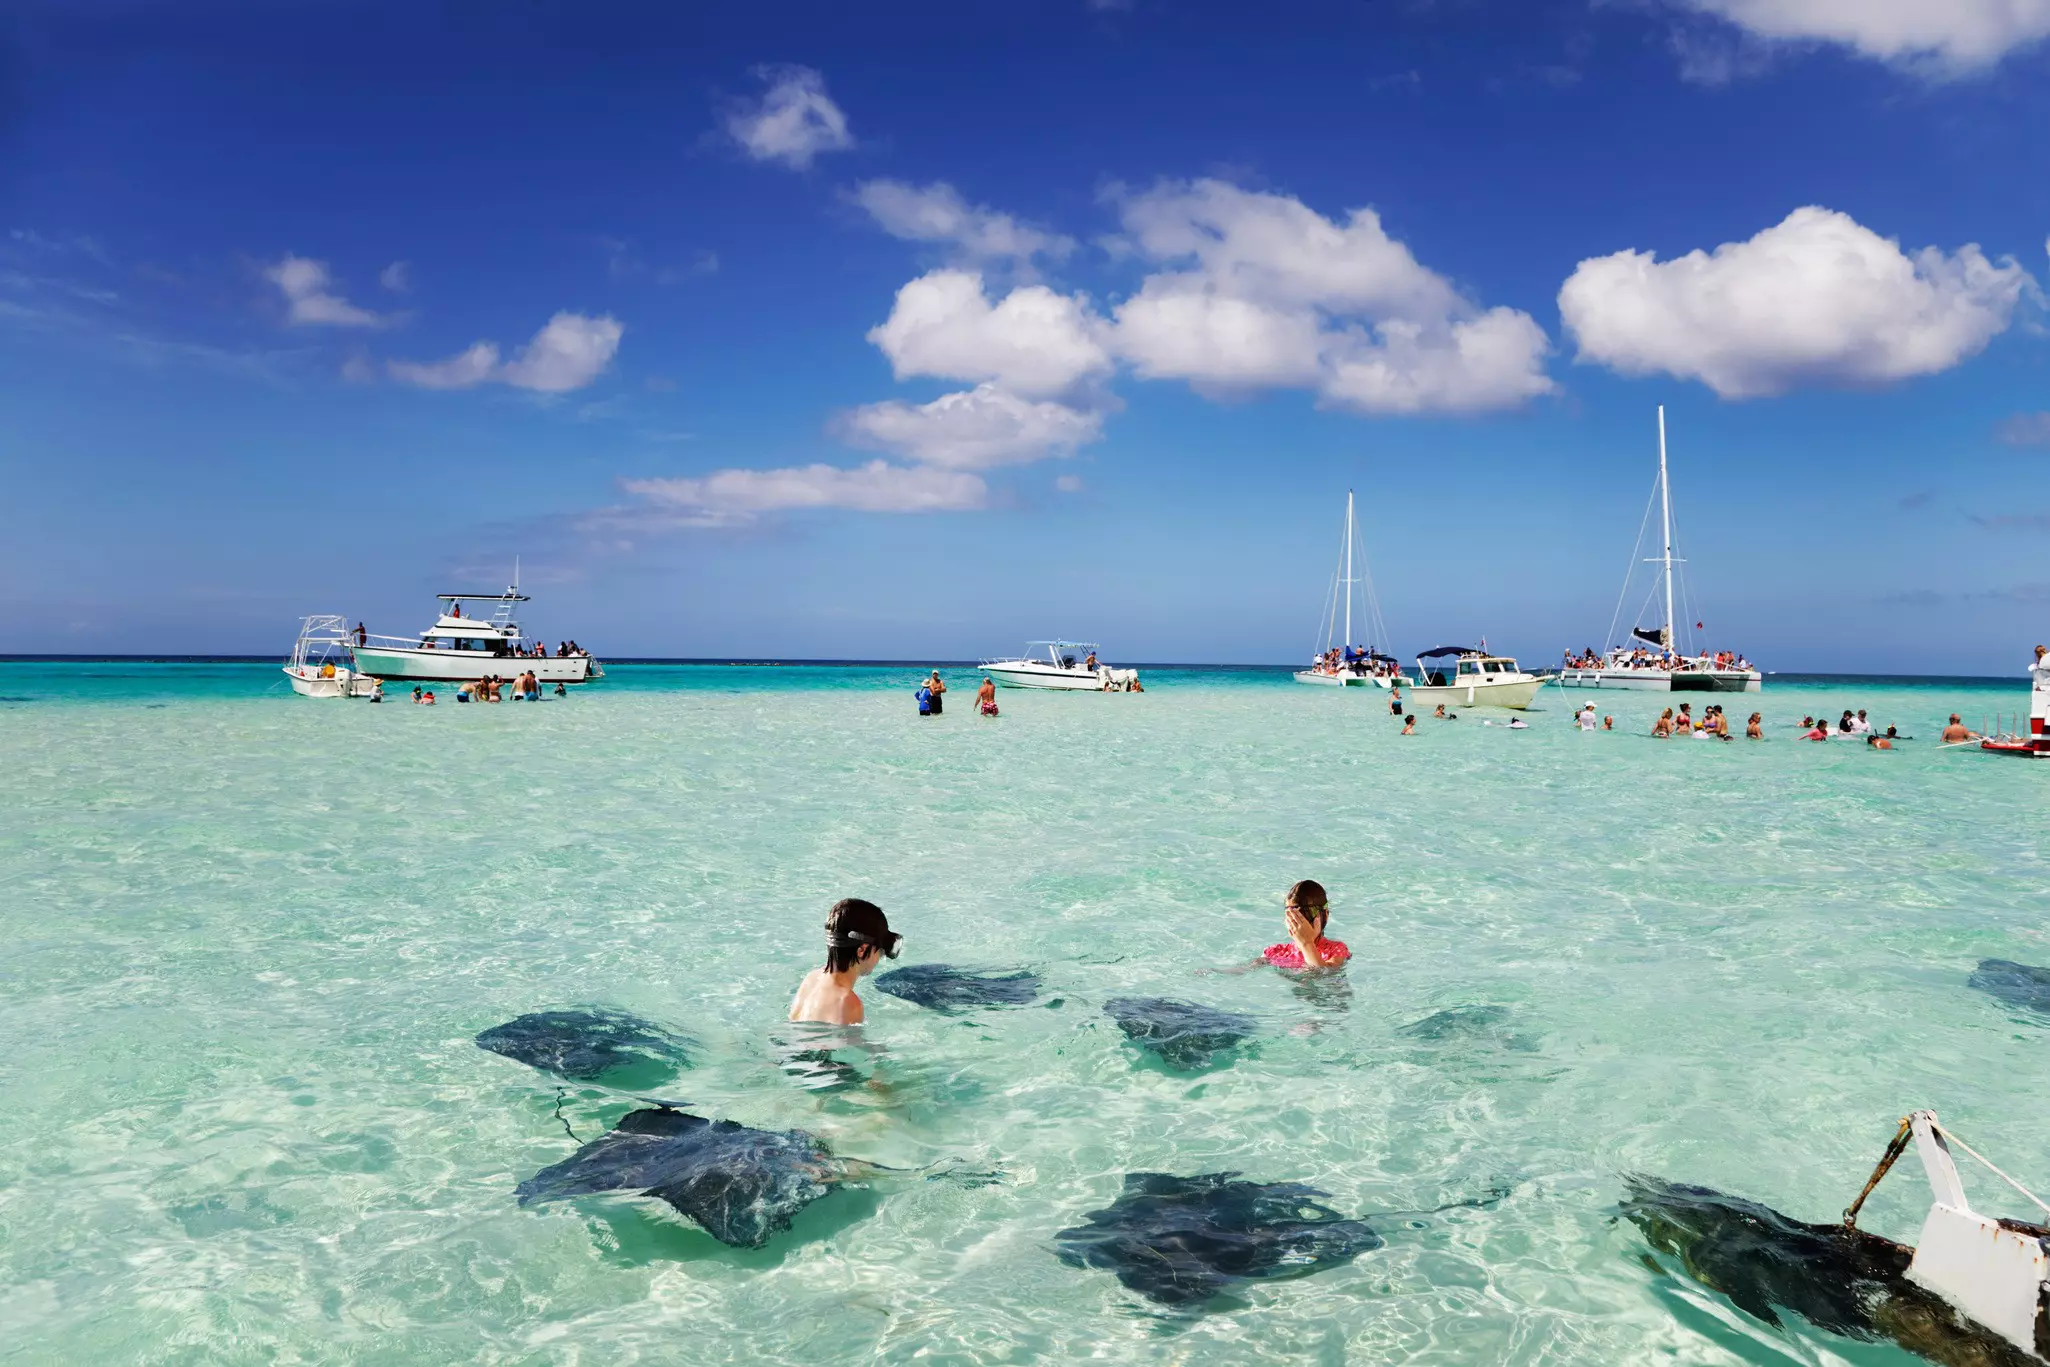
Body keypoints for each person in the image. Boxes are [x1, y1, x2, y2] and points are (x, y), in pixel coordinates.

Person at [788, 898, 901, 1025]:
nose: (881, 957)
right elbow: (850, 1044)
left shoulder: (811, 978)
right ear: (862, 950)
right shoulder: (848, 1002)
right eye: (880, 951)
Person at [1262, 880, 1350, 970]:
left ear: (1326, 914)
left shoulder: (1336, 950)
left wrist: (1307, 943)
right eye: (1293, 917)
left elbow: (1323, 976)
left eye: (1306, 916)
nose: (1301, 926)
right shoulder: (1274, 953)